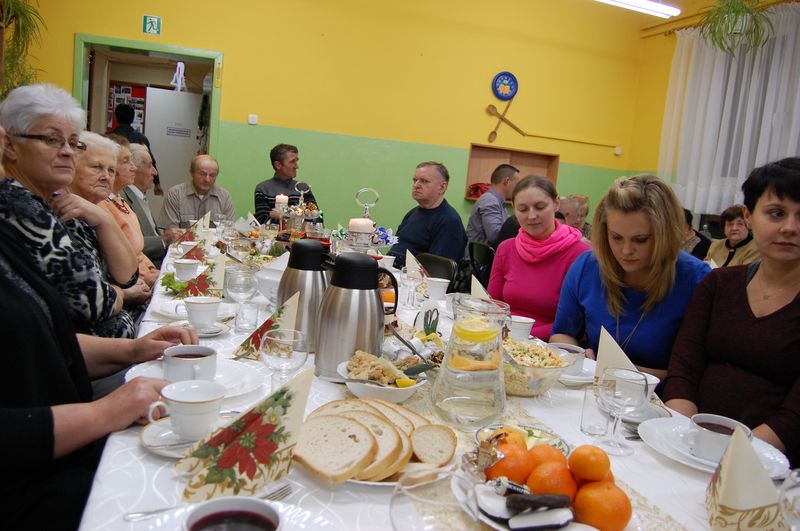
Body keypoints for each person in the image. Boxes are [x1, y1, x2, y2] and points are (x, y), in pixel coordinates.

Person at [0, 216, 197, 529]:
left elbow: (43, 345)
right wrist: (103, 413)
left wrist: (133, 350)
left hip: (65, 440)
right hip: (30, 485)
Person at [664, 157, 800, 466]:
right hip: (690, 442)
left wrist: (729, 458)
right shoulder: (719, 285)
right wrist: (683, 436)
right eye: (776, 213)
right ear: (750, 217)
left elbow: (795, 416)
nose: (790, 227)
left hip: (769, 463)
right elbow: (684, 366)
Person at [0, 83, 139, 338]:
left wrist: (104, 220)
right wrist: (120, 295)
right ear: (9, 145)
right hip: (82, 369)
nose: (66, 152)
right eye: (52, 140)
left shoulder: (54, 203)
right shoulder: (19, 206)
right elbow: (96, 301)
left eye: (73, 143)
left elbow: (128, 276)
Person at [550, 174, 711, 379]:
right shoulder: (587, 267)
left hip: (659, 400)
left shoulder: (696, 281)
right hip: (593, 388)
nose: (625, 251)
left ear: (666, 235)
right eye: (616, 237)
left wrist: (620, 374)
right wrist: (576, 355)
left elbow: (696, 375)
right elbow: (562, 335)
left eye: (641, 240)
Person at [488, 175, 591, 340]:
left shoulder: (581, 255)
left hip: (548, 346)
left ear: (556, 204)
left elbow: (578, 325)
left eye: (540, 207)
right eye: (522, 209)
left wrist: (520, 336)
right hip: (503, 337)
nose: (531, 216)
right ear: (513, 208)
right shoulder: (506, 248)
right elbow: (493, 304)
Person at [100, 134, 159, 286]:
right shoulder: (101, 206)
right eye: (126, 162)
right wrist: (150, 278)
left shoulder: (120, 201)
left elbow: (138, 253)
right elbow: (120, 261)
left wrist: (153, 271)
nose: (134, 167)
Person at [388, 161, 467, 269]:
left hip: (413, 282)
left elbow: (438, 271)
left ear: (442, 187)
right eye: (415, 180)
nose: (416, 185)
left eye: (424, 181)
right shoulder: (413, 213)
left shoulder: (449, 221)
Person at [160, 154, 234, 235]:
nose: (207, 179)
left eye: (212, 175)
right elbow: (170, 233)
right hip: (183, 246)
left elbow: (229, 232)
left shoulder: (225, 197)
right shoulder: (175, 194)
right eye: (202, 174)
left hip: (215, 246)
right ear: (191, 173)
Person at [122, 143, 166, 267]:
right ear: (134, 169)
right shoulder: (122, 198)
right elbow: (129, 244)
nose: (155, 172)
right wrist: (164, 240)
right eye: (150, 166)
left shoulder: (138, 195)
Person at [254, 143, 320, 224]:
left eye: (296, 161)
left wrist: (279, 216)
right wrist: (296, 217)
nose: (297, 166)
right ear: (278, 165)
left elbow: (317, 218)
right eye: (292, 162)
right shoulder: (263, 189)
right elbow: (262, 221)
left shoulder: (303, 188)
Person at [111, 103, 162, 195]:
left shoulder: (110, 139)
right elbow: (151, 162)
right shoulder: (141, 138)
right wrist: (157, 183)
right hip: (137, 184)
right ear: (133, 119)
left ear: (115, 117)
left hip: (116, 182)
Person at [466, 163, 518, 246]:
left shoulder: (498, 202)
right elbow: (495, 236)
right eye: (516, 184)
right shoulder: (490, 201)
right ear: (507, 181)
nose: (517, 188)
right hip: (479, 258)